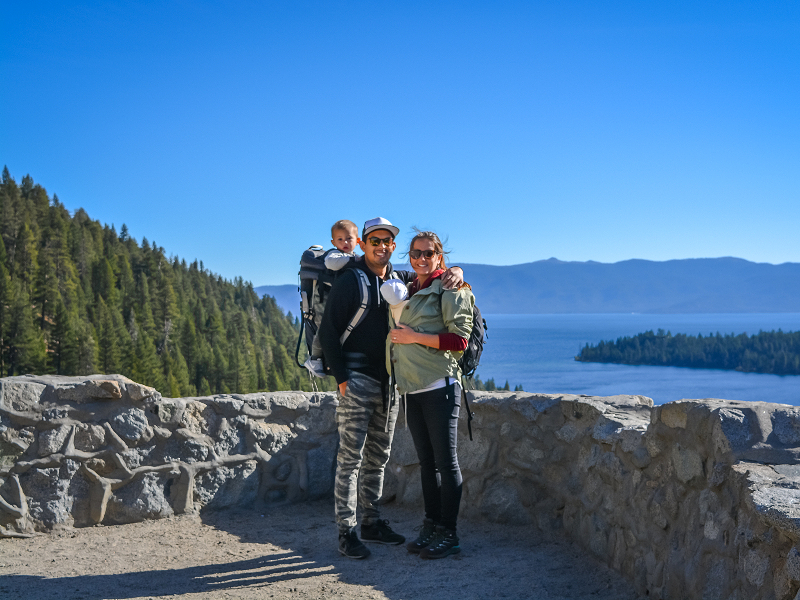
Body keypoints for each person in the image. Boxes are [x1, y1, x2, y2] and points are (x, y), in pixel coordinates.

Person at [318, 217, 463, 559]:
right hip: (356, 379)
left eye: (387, 242)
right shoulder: (350, 280)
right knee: (350, 459)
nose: (382, 246)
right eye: (375, 241)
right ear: (363, 244)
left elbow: (435, 274)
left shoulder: (402, 280)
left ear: (394, 247)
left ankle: (371, 522)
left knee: (378, 458)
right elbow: (328, 332)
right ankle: (346, 532)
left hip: (389, 383)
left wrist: (455, 268)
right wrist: (341, 379)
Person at [385, 230, 474, 559]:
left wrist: (414, 338)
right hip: (412, 389)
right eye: (415, 254)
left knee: (446, 464)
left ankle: (449, 533)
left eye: (428, 254)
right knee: (426, 464)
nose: (421, 259)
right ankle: (432, 524)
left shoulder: (452, 288)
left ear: (440, 257)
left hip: (440, 387)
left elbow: (460, 342)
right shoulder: (411, 287)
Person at [304, 220, 360, 377]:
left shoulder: (356, 257)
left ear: (358, 240)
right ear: (333, 242)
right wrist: (356, 261)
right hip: (325, 298)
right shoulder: (334, 255)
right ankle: (315, 359)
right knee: (325, 328)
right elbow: (331, 264)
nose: (345, 242)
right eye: (340, 239)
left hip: (344, 301)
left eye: (349, 238)